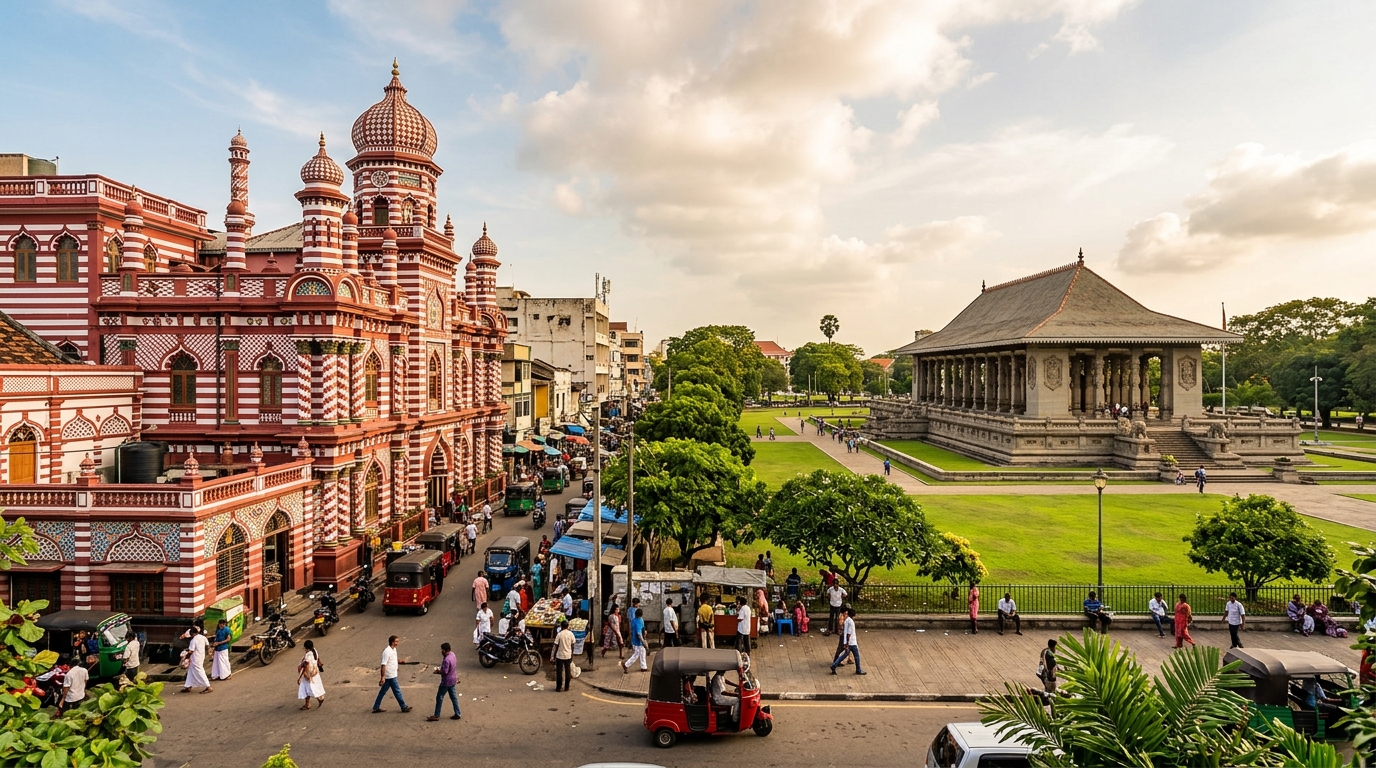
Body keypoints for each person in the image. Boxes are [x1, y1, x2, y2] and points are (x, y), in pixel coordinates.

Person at [372, 635, 411, 713]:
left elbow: (393, 659)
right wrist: (382, 677)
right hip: (390, 676)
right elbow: (383, 664)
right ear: (392, 642)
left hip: (392, 674)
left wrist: (400, 661)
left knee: (383, 692)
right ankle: (403, 706)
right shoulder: (387, 652)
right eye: (396, 641)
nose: (397, 643)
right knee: (397, 691)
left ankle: (376, 706)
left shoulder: (393, 650)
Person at [427, 642, 461, 720]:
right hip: (453, 679)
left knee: (439, 697)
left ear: (445, 650)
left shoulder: (446, 659)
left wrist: (438, 671)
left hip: (446, 681)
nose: (441, 651)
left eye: (442, 650)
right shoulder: (452, 655)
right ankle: (457, 713)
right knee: (454, 697)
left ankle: (436, 715)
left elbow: (445, 672)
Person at [829, 608, 866, 675]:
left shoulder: (846, 620)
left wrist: (845, 642)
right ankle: (858, 669)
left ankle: (834, 665)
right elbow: (848, 633)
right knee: (857, 656)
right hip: (852, 642)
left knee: (844, 655)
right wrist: (847, 642)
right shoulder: (851, 622)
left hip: (848, 642)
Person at [182, 624, 212, 694]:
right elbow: (207, 645)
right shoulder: (203, 637)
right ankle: (188, 685)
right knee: (191, 670)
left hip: (195, 657)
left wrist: (186, 658)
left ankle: (208, 686)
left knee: (199, 670)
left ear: (192, 633)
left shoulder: (193, 640)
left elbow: (191, 651)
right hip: (201, 655)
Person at [297, 639, 325, 710]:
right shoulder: (314, 651)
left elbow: (304, 667)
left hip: (308, 675)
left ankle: (319, 699)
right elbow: (318, 658)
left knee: (308, 689)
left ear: (307, 648)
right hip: (314, 673)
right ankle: (308, 704)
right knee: (308, 688)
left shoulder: (308, 657)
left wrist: (300, 677)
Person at [552, 619, 576, 692]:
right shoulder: (571, 634)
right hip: (568, 655)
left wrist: (553, 656)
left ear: (561, 626)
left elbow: (555, 646)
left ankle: (559, 687)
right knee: (567, 672)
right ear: (567, 626)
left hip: (560, 655)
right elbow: (573, 645)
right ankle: (566, 687)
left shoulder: (559, 634)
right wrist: (572, 654)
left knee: (559, 672)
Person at [623, 608, 648, 673]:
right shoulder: (639, 621)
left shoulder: (634, 620)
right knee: (636, 654)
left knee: (643, 653)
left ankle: (644, 667)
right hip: (638, 642)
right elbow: (639, 634)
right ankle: (626, 664)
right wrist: (644, 642)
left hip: (634, 640)